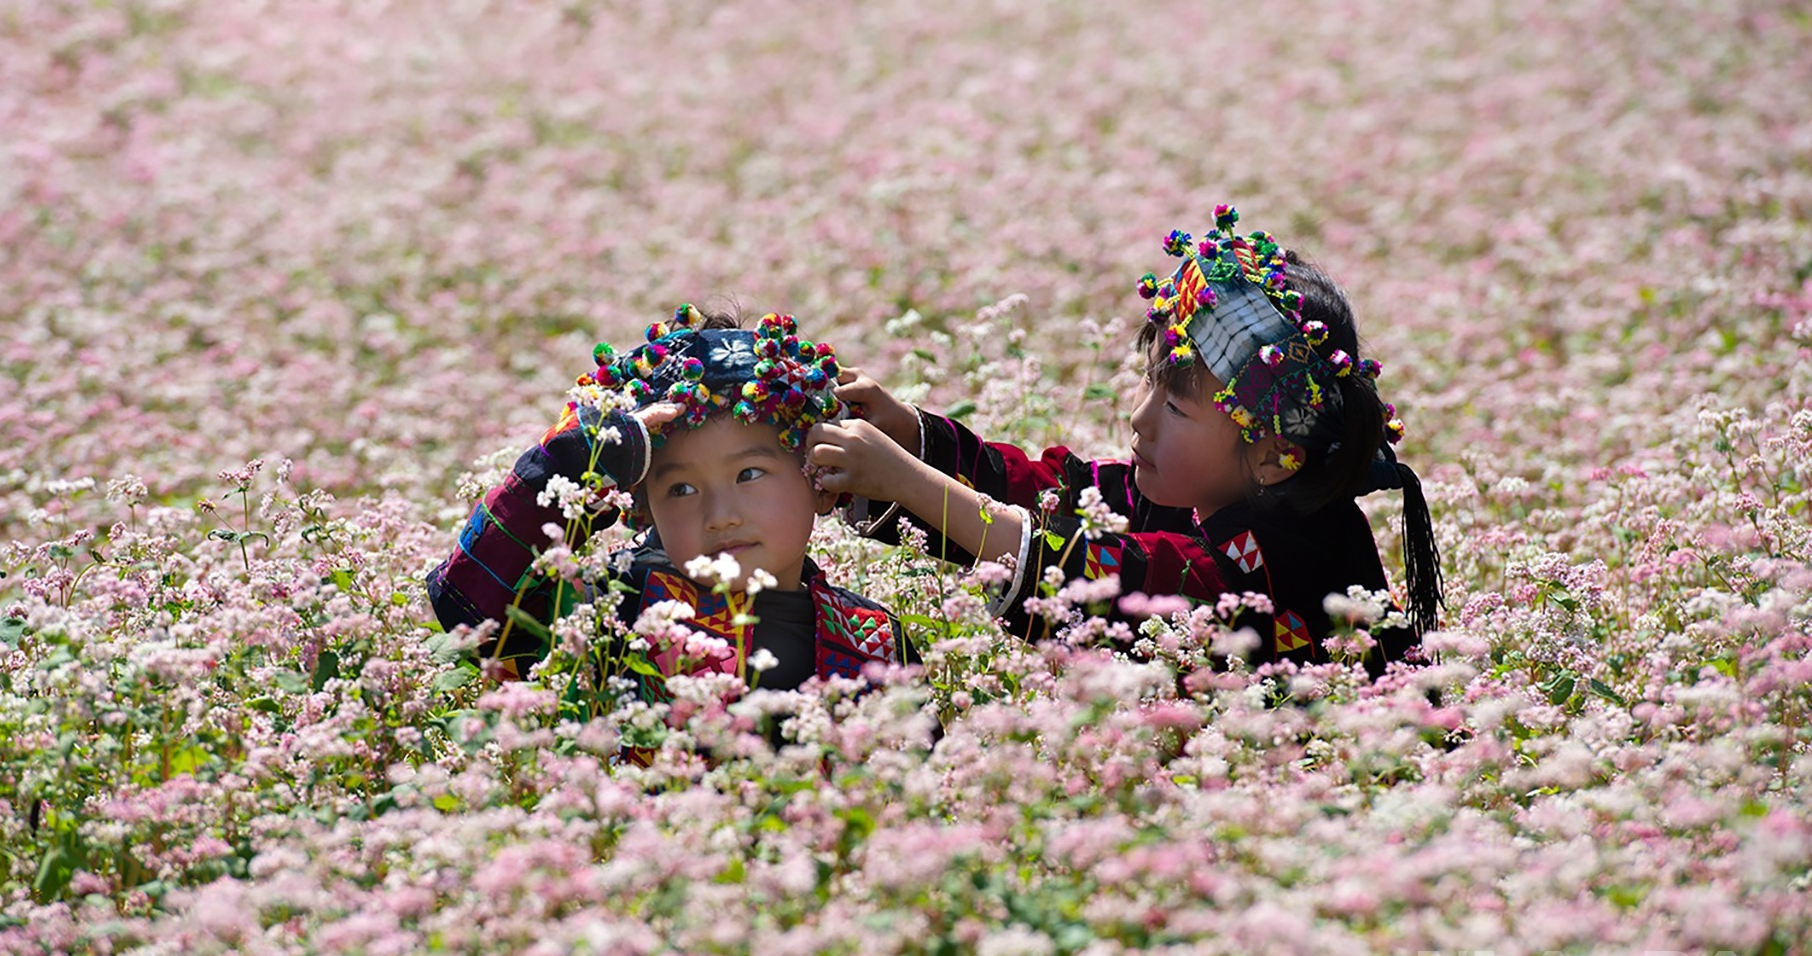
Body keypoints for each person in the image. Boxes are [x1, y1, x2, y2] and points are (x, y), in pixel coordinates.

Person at [806, 204, 1441, 673]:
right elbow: (1059, 497)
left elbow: (1090, 574)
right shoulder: (1217, 488)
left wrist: (901, 478)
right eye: (1147, 384)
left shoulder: (1281, 560)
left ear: (1275, 457)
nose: (1140, 418)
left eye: (1178, 410)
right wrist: (910, 435)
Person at [427, 305, 912, 720]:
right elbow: (467, 607)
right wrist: (590, 456)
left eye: (749, 475)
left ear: (821, 480)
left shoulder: (874, 640)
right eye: (680, 488)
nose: (719, 515)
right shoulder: (617, 609)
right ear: (643, 507)